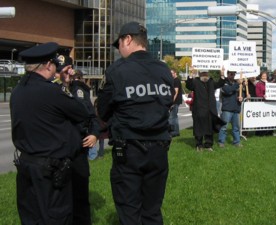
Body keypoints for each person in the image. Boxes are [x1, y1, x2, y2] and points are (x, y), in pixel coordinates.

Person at [96, 21, 174, 225]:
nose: (119, 49)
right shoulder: (163, 69)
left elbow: (103, 110)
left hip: (129, 150)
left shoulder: (117, 70)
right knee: (152, 210)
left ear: (128, 39)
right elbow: (167, 104)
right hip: (159, 149)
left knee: (130, 211)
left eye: (119, 44)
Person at [10, 42, 90, 225]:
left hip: (26, 165)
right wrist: (71, 83)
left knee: (31, 217)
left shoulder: (17, 91)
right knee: (56, 217)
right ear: (47, 65)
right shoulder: (52, 91)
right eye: (54, 64)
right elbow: (82, 112)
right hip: (50, 170)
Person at [64, 65, 99, 225]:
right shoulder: (54, 89)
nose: (70, 78)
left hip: (78, 147)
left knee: (80, 194)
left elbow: (91, 116)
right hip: (60, 148)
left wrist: (94, 134)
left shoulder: (80, 90)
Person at [185, 69, 226, 151]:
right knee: (199, 128)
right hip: (199, 109)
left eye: (206, 73)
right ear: (200, 74)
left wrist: (222, 74)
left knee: (209, 128)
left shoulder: (211, 81)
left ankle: (208, 145)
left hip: (210, 109)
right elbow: (188, 85)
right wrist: (190, 75)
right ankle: (199, 145)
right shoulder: (195, 82)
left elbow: (220, 84)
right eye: (203, 73)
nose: (205, 75)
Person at [218, 70, 244, 148]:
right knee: (224, 127)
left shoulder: (237, 83)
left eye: (233, 74)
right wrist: (237, 84)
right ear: (228, 74)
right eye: (230, 73)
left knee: (236, 127)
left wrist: (241, 97)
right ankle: (221, 142)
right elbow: (227, 90)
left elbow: (241, 92)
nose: (232, 75)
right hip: (227, 109)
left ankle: (237, 142)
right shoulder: (224, 82)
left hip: (236, 108)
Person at [169, 69, 183, 137]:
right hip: (176, 101)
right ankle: (176, 132)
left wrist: (172, 101)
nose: (171, 75)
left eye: (172, 73)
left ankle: (174, 132)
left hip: (175, 101)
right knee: (175, 117)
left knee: (172, 117)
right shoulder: (174, 80)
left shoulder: (176, 80)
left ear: (175, 73)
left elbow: (176, 92)